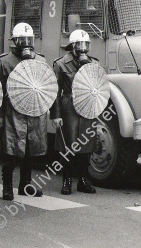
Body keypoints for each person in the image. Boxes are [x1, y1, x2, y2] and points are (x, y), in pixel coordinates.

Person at [0, 23, 48, 200]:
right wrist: (0, 116)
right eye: (22, 40)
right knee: (9, 152)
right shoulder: (4, 61)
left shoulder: (40, 60)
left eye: (29, 39)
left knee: (30, 151)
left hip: (33, 111)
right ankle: (7, 187)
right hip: (12, 112)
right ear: (15, 41)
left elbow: (46, 84)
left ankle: (26, 184)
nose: (26, 43)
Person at [51, 30, 97, 195]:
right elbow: (55, 91)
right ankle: (67, 180)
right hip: (69, 106)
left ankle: (83, 180)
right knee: (68, 145)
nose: (83, 49)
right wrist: (55, 115)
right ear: (72, 46)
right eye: (79, 45)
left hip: (88, 106)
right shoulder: (61, 64)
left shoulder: (93, 63)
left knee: (87, 145)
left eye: (85, 45)